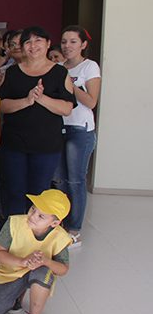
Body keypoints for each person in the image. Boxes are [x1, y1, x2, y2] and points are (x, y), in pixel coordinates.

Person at [0, 26, 75, 226]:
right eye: (28, 42)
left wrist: (41, 98)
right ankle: (12, 235)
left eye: (38, 40)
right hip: (14, 144)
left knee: (38, 193)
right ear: (22, 47)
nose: (33, 46)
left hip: (46, 145)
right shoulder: (13, 72)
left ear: (48, 44)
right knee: (13, 190)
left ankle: (33, 236)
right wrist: (27, 100)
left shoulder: (60, 72)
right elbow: (1, 105)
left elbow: (67, 108)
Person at [0, 189, 72, 314]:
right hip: (12, 272)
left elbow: (63, 269)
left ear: (55, 223)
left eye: (41, 216)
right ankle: (18, 295)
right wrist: (23, 262)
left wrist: (46, 261)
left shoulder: (60, 237)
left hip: (38, 270)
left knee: (43, 273)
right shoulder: (14, 222)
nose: (33, 216)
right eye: (33, 209)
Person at [53, 26, 101, 247]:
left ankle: (74, 230)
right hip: (58, 129)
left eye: (73, 41)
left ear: (83, 45)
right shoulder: (58, 67)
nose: (67, 46)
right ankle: (60, 225)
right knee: (60, 180)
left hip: (80, 130)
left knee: (76, 181)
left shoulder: (89, 67)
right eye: (64, 41)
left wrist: (70, 84)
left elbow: (91, 102)